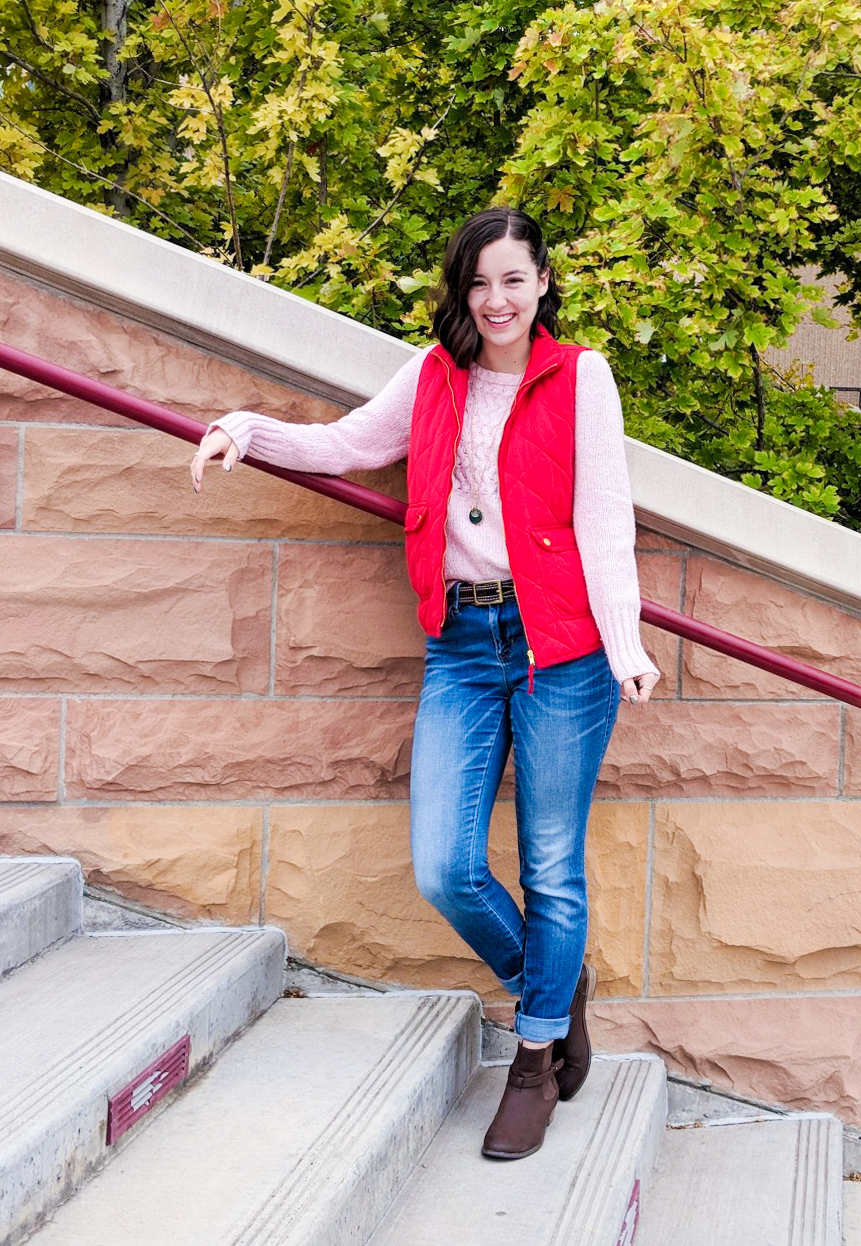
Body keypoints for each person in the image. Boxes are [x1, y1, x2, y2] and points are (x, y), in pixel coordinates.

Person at [190, 206, 659, 1160]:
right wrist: (243, 429)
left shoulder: (581, 376)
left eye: (514, 279)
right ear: (462, 291)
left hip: (562, 647)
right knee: (445, 865)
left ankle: (533, 1061)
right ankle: (554, 984)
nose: (496, 299)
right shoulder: (434, 374)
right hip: (463, 641)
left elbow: (606, 522)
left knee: (551, 865)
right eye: (479, 282)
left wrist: (627, 645)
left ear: (542, 284)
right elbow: (346, 446)